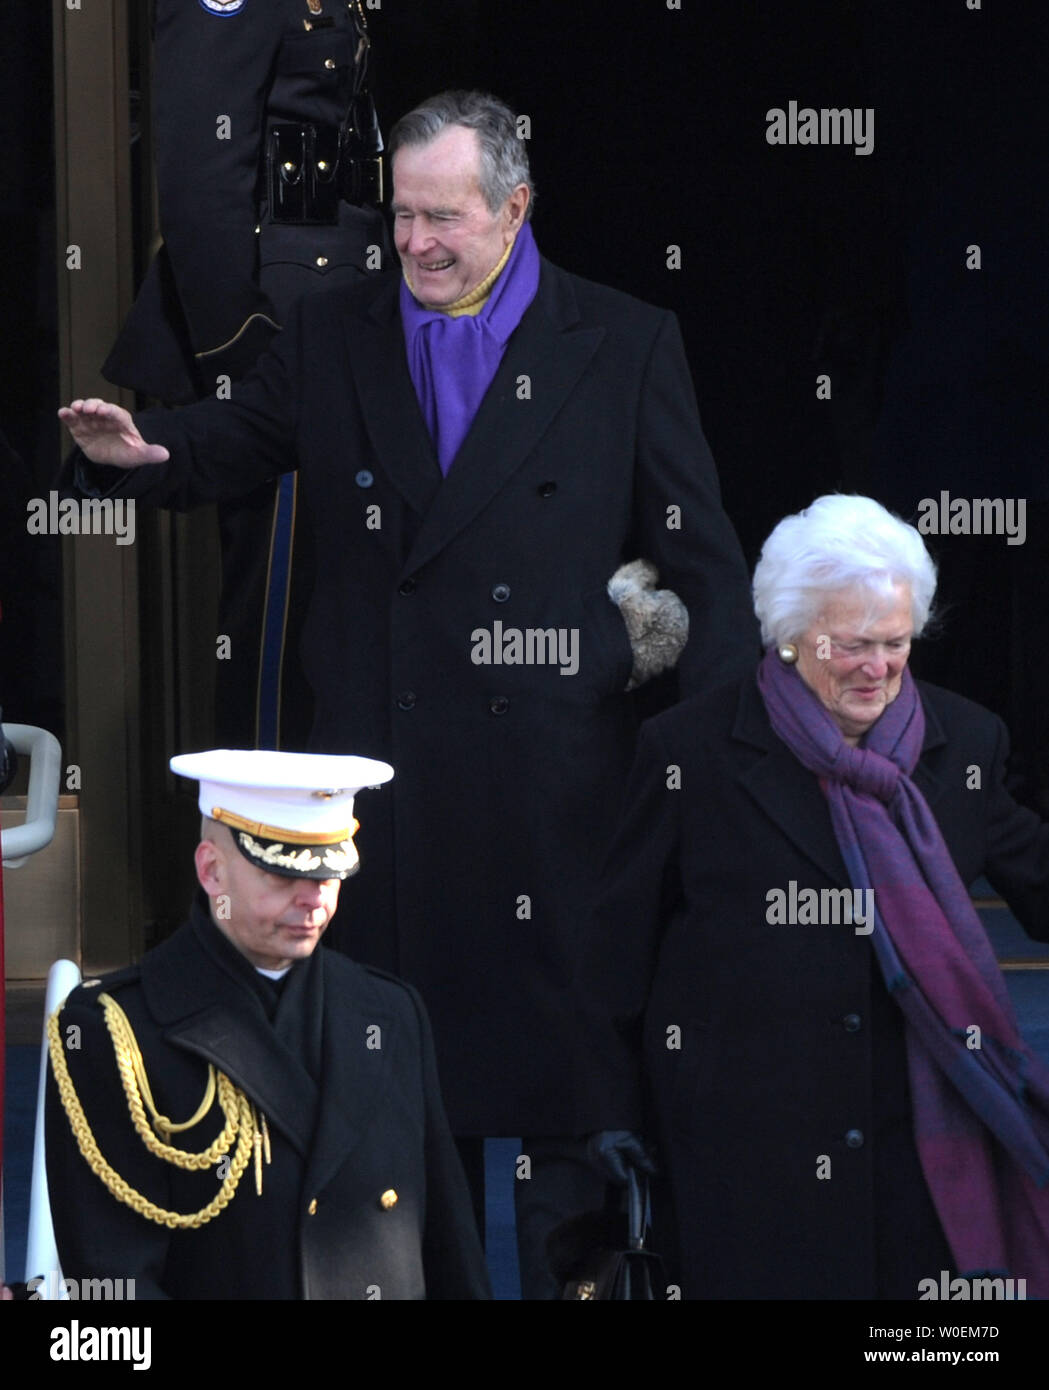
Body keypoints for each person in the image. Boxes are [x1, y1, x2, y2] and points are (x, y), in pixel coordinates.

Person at [57, 89, 758, 1297]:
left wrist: (718, 779)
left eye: (445, 217)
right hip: (386, 811)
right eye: (402, 216)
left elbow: (704, 571)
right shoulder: (334, 331)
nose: (417, 243)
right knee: (381, 1147)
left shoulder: (625, 341)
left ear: (515, 207)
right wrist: (143, 450)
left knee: (567, 1154)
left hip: (558, 815)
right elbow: (234, 442)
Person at [577, 494, 1049, 1300]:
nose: (878, 668)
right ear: (790, 638)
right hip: (749, 1142)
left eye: (895, 643)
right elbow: (616, 946)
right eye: (852, 645)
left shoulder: (964, 742)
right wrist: (605, 1108)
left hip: (922, 1134)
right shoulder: (690, 749)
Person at [43, 749, 490, 1300]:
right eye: (283, 874)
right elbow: (111, 1281)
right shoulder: (116, 1034)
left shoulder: (388, 1011)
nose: (313, 898)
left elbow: (448, 1243)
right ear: (212, 870)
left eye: (330, 873)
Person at [105, 0, 388, 748]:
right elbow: (200, 175)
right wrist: (244, 359)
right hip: (282, 321)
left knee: (338, 608)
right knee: (277, 619)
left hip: (348, 302)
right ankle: (260, 850)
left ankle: (323, 843)